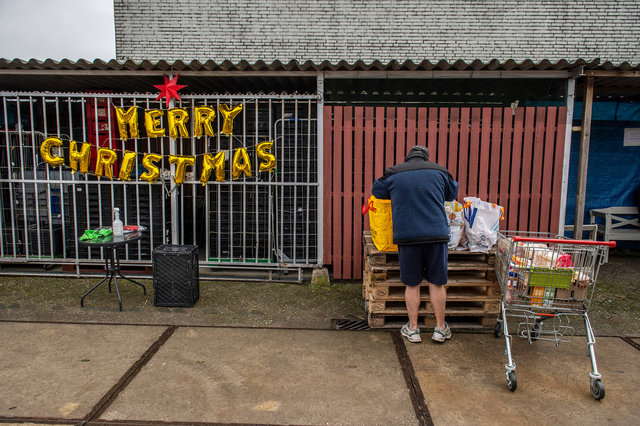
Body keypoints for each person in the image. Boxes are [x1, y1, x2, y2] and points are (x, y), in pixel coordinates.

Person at [372, 145, 458, 343]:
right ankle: (440, 328)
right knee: (437, 283)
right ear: (426, 158)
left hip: (408, 237)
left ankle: (412, 329)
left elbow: (377, 190)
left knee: (412, 284)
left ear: (407, 157)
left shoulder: (394, 173)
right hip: (436, 235)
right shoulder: (440, 171)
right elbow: (452, 193)